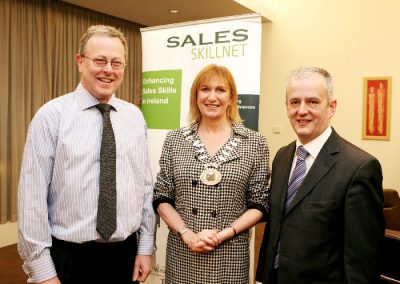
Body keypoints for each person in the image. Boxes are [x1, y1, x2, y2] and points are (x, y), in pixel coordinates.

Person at [18, 25, 155, 284]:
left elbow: (144, 187)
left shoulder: (134, 117)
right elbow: (32, 198)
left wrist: (145, 246)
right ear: (80, 62)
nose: (108, 69)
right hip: (69, 259)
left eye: (117, 62)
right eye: (100, 60)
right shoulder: (51, 117)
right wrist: (43, 272)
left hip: (124, 254)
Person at [256, 66, 385, 284]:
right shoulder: (282, 156)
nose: (302, 110)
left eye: (313, 102)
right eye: (294, 102)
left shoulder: (359, 167)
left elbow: (362, 261)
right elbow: (275, 229)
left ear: (331, 107)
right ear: (286, 106)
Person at [153, 64, 270, 283]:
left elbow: (259, 203)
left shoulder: (254, 142)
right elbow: (162, 196)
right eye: (205, 89)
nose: (212, 97)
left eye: (220, 90)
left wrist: (222, 235)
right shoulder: (175, 139)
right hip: (184, 252)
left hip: (230, 254)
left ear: (231, 97)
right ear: (195, 95)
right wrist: (188, 235)